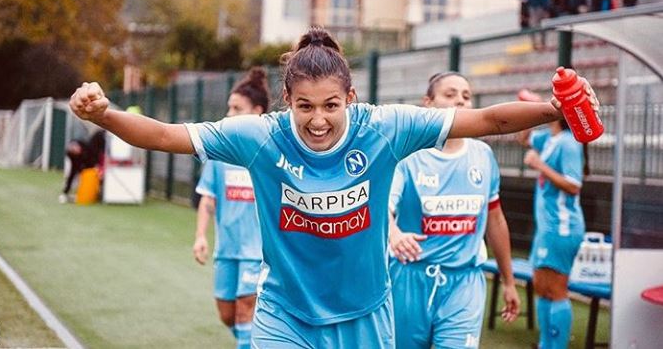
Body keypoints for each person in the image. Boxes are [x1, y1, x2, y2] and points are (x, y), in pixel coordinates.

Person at [69, 27, 598, 348]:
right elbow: (163, 134)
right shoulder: (259, 136)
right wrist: (107, 114)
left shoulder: (385, 127)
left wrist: (555, 110)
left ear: (350, 95)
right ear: (286, 99)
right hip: (285, 314)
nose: (318, 120)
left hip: (365, 315)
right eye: (304, 106)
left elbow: (486, 120)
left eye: (330, 105)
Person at [388, 72, 520, 349]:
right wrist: (395, 234)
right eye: (450, 95)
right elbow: (382, 209)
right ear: (428, 103)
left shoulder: (483, 155)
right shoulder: (408, 157)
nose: (460, 100)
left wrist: (508, 281)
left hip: (465, 282)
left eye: (466, 96)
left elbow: (495, 219)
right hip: (410, 279)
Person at [192, 67, 270, 349]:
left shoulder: (268, 155)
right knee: (228, 314)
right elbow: (208, 199)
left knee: (245, 310)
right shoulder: (220, 154)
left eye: (237, 108)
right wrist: (201, 236)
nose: (229, 114)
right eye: (229, 108)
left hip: (257, 252)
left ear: (257, 112)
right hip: (226, 250)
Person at [521, 115, 588, 349]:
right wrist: (527, 110)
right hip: (547, 227)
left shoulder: (568, 142)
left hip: (562, 227)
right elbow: (524, 138)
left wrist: (540, 165)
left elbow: (573, 185)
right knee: (541, 286)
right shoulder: (550, 138)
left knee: (556, 289)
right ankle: (544, 344)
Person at [59, 129, 106, 203]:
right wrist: (66, 191)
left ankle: (99, 193)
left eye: (76, 149)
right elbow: (73, 171)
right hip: (90, 167)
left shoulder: (89, 147)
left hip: (96, 164)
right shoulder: (74, 157)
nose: (77, 150)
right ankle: (67, 192)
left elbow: (95, 157)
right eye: (74, 151)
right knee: (75, 175)